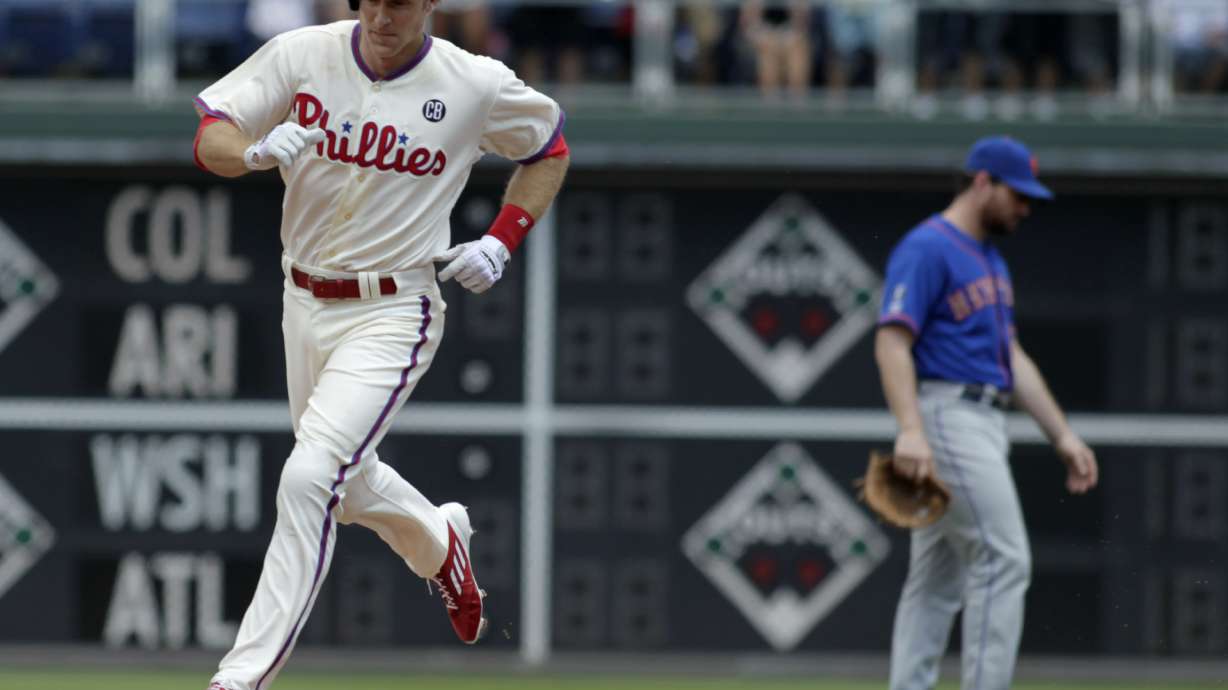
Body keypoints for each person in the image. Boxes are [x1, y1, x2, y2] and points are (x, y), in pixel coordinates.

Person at [191, 0, 570, 686]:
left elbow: (548, 148)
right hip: (301, 296)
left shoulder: (473, 82)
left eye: (399, 1)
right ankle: (441, 543)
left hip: (394, 307)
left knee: (309, 478)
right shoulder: (303, 54)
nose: (381, 14)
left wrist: (501, 240)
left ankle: (241, 676)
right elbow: (210, 134)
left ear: (429, 4)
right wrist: (251, 151)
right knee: (346, 480)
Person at [875, 136, 1098, 690]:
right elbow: (892, 341)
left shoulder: (991, 263)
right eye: (1017, 195)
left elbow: (1012, 358)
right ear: (982, 183)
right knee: (1004, 561)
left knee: (936, 581)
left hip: (982, 415)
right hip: (949, 414)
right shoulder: (928, 247)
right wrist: (910, 430)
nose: (1025, 208)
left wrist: (1062, 434)